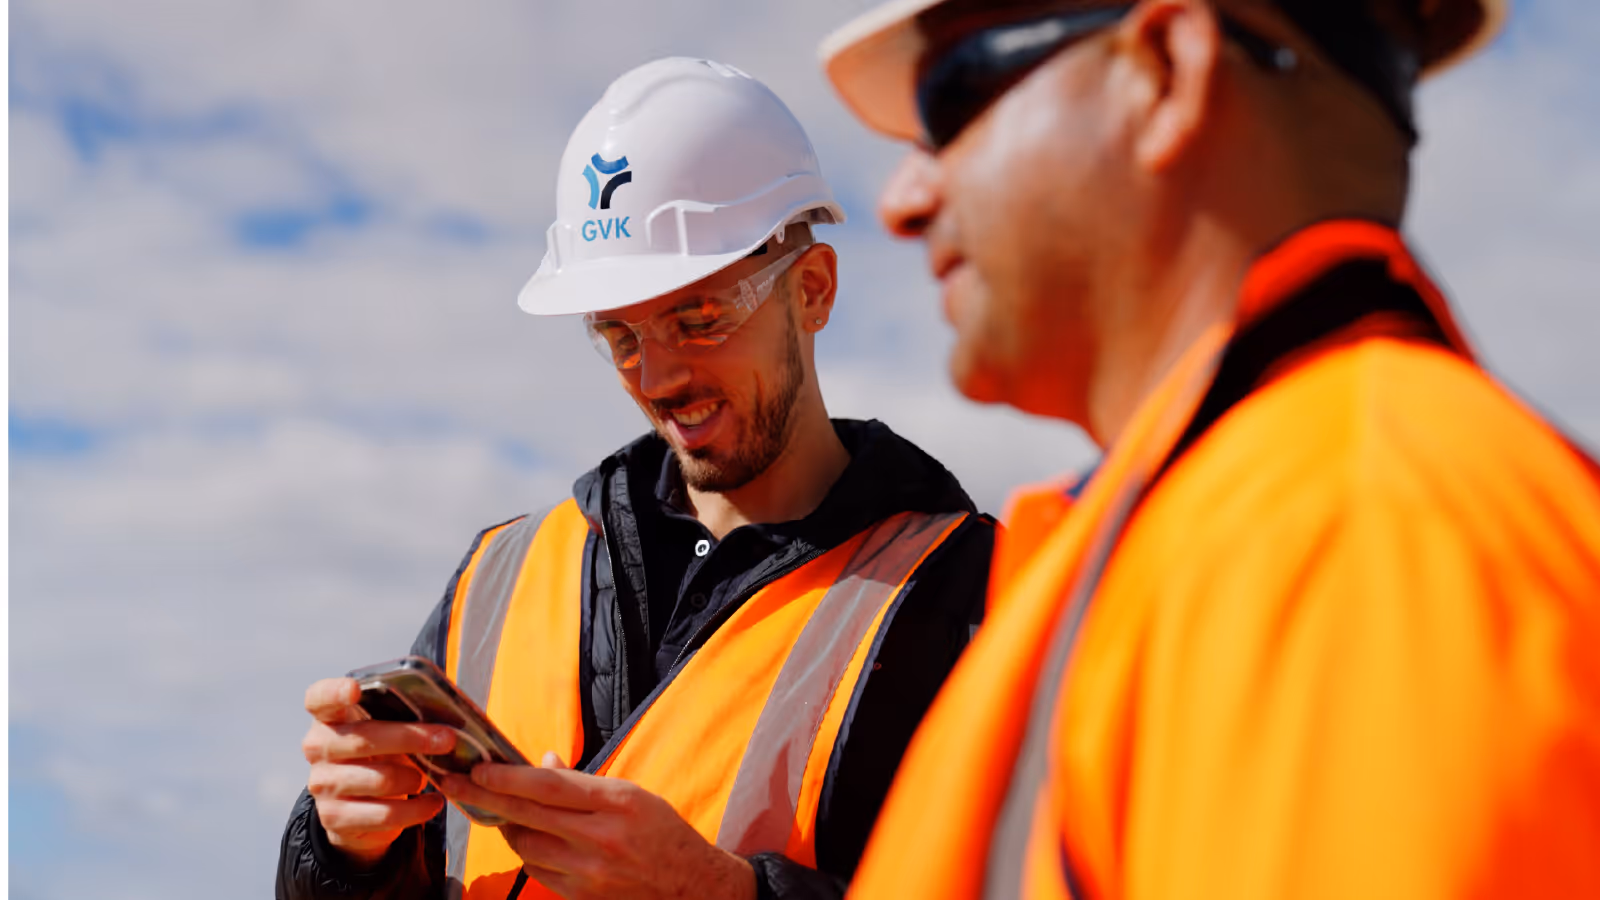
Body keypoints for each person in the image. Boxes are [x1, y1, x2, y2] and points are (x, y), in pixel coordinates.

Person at [819, 1, 1600, 898]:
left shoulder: (1345, 530)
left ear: (1167, 72)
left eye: (948, 107)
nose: (900, 203)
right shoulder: (1263, 521)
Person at [275, 57, 996, 900]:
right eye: (620, 335)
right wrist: (343, 850)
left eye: (698, 320)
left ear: (813, 290)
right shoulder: (500, 578)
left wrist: (722, 893)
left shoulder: (970, 599)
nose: (656, 378)